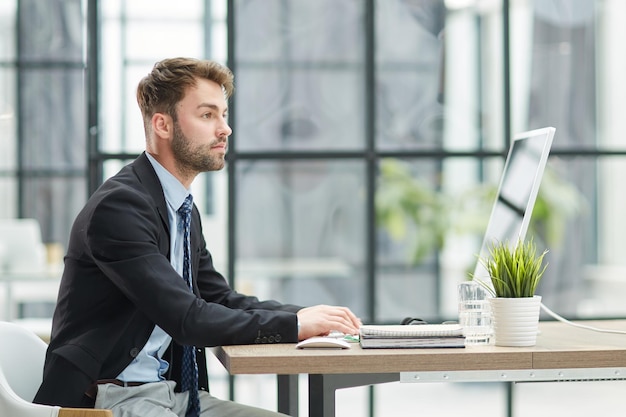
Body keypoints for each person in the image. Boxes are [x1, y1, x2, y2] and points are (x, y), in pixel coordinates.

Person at [34, 57, 362, 417]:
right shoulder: (120, 208)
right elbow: (187, 318)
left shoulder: (180, 207)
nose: (225, 129)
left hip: (170, 394)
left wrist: (306, 317)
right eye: (208, 115)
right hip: (107, 400)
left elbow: (218, 298)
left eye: (224, 114)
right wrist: (296, 325)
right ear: (163, 124)